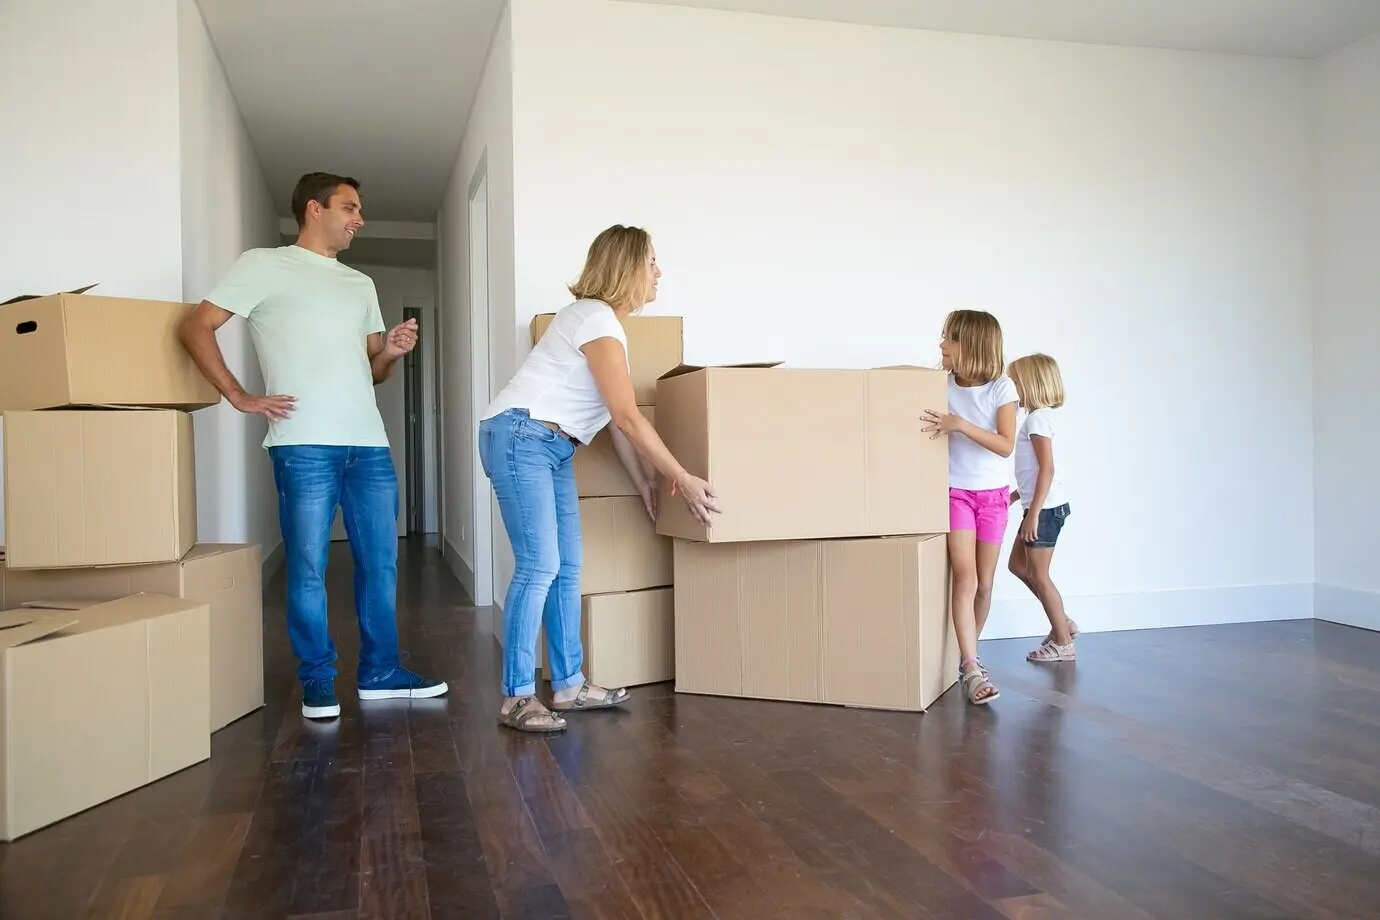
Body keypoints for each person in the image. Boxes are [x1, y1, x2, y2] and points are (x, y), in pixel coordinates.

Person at [178, 171, 448, 721]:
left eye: (360, 208)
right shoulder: (262, 265)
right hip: (302, 444)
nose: (359, 218)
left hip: (368, 444)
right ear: (312, 209)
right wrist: (238, 395)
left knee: (381, 563)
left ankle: (380, 673)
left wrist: (391, 352)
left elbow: (371, 372)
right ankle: (318, 681)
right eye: (349, 207)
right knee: (307, 566)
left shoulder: (360, 285)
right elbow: (196, 326)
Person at [479, 224, 720, 733]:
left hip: (550, 444)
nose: (659, 272)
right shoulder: (594, 318)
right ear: (628, 267)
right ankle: (517, 697)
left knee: (567, 564)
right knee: (539, 565)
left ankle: (568, 685)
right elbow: (630, 417)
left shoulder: (603, 325)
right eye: (651, 262)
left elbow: (615, 421)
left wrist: (645, 484)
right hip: (522, 436)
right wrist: (680, 475)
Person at [921, 309, 1018, 705]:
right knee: (968, 579)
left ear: (970, 345)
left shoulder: (1002, 388)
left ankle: (966, 661)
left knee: (986, 583)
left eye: (948, 338)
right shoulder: (939, 386)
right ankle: (973, 667)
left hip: (993, 497)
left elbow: (1005, 444)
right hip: (955, 493)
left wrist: (960, 425)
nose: (941, 345)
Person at [1006, 353, 1076, 662]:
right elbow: (1037, 471)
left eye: (1016, 383)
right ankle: (1062, 623)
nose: (1013, 390)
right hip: (1042, 505)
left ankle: (1063, 641)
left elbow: (1046, 469)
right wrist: (1015, 496)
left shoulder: (1036, 420)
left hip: (1043, 511)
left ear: (1030, 385)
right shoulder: (1044, 417)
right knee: (1018, 567)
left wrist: (1032, 513)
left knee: (1039, 574)